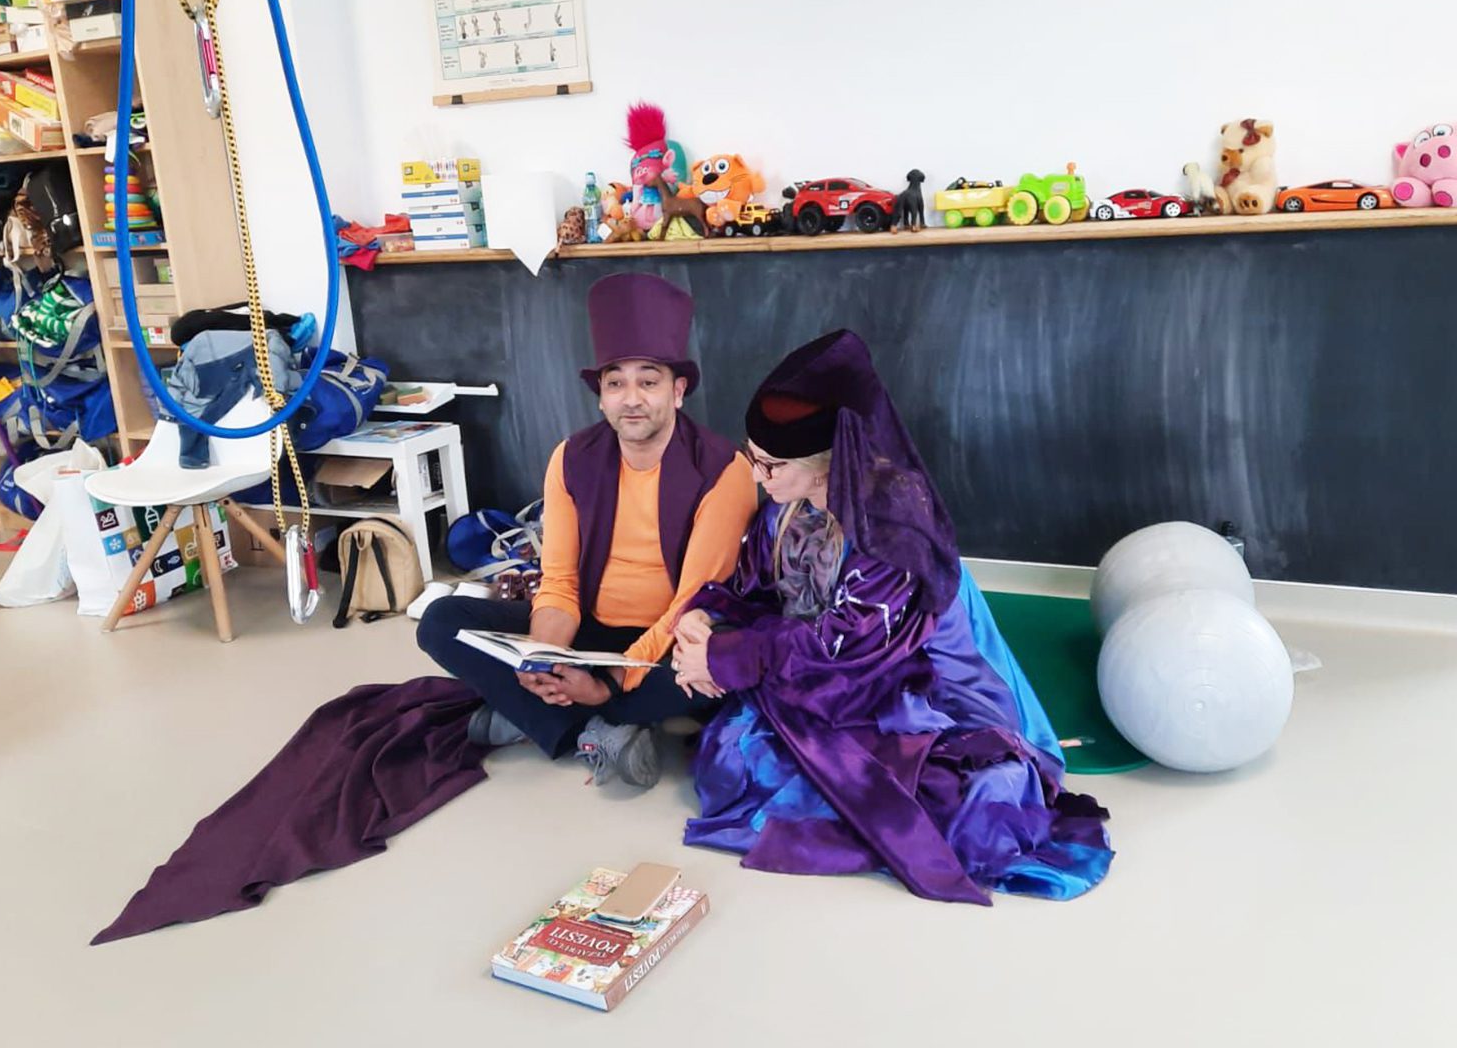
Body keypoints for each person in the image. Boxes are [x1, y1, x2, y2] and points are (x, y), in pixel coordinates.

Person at [671, 330, 1112, 904]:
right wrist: (705, 619)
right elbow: (755, 589)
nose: (757, 476)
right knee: (730, 756)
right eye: (752, 457)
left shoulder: (893, 526)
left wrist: (726, 658)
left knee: (973, 801)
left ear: (823, 464)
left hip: (920, 690)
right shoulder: (788, 509)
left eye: (771, 464)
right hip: (839, 678)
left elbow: (844, 646)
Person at [418, 274, 759, 788]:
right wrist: (544, 661)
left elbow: (692, 603)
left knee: (724, 659)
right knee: (442, 620)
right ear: (601, 395)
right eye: (615, 383)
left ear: (678, 391)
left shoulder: (724, 469)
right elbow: (559, 583)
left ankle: (556, 717)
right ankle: (595, 729)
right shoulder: (571, 459)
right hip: (589, 631)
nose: (631, 399)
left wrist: (609, 683)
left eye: (649, 381)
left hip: (669, 636)